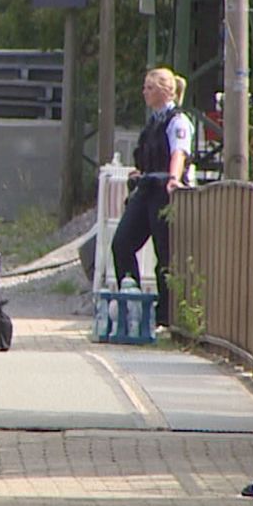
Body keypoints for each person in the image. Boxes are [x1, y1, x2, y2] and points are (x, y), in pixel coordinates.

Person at [110, 67, 193, 328]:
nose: (144, 92)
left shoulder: (177, 121)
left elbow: (179, 153)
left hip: (163, 192)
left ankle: (165, 316)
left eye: (149, 87)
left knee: (165, 253)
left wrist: (173, 179)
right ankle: (130, 295)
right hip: (146, 189)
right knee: (122, 243)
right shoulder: (153, 122)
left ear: (165, 90)